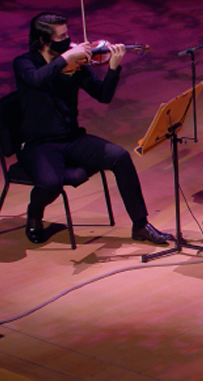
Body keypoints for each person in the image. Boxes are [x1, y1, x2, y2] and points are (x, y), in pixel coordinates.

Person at [12, 12, 173, 245]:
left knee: (120, 157)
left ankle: (140, 225)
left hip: (71, 139)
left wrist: (113, 68)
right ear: (45, 41)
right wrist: (66, 58)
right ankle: (34, 214)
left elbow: (103, 96)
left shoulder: (77, 64)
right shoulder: (25, 63)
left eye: (68, 34)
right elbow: (38, 79)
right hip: (39, 144)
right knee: (50, 184)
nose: (69, 41)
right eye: (63, 37)